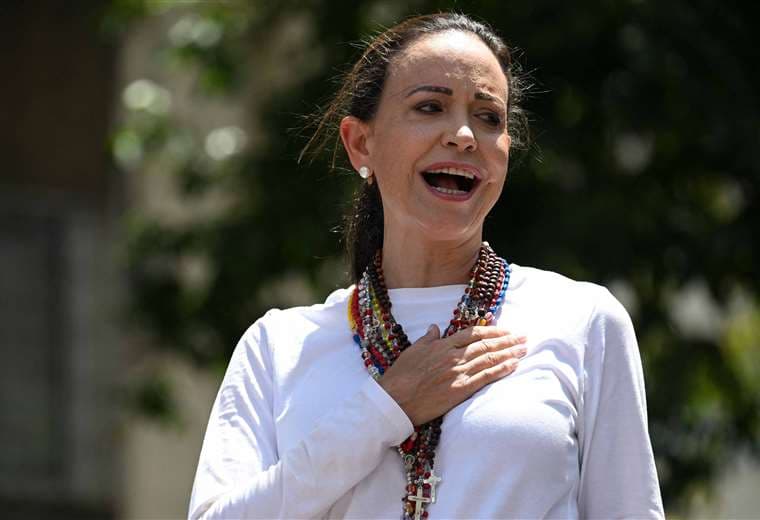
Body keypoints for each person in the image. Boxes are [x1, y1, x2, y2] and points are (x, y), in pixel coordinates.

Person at [188, 12, 664, 520]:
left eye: (488, 117)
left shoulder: (581, 319)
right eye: (430, 107)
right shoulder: (278, 347)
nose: (462, 134)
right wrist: (385, 408)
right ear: (360, 143)